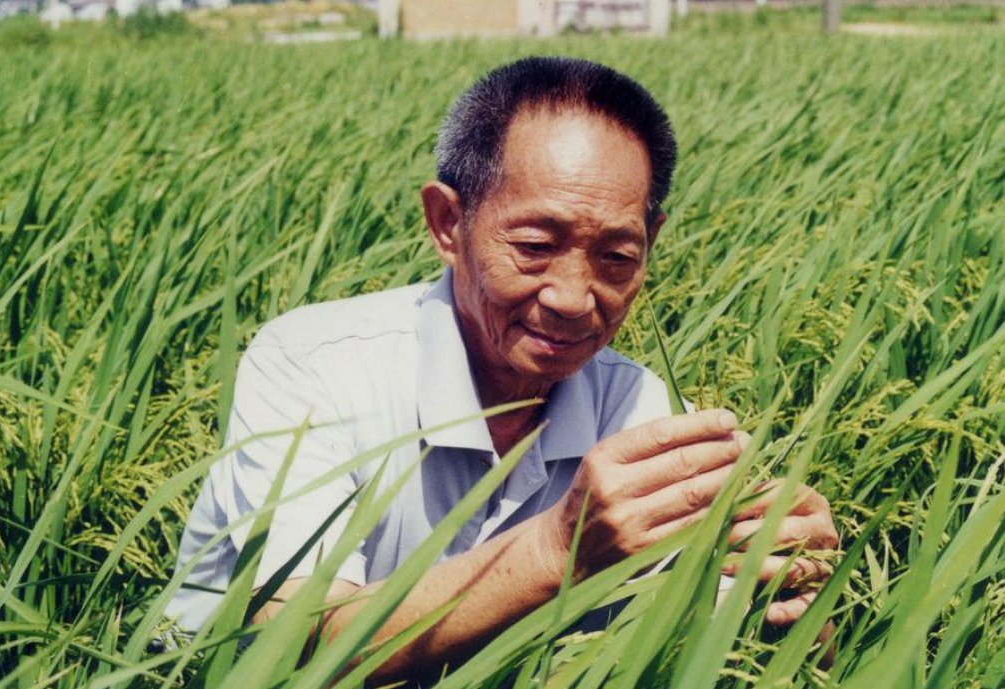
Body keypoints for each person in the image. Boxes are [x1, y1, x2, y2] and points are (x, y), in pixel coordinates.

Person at [167, 56, 838, 681]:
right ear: (448, 222)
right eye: (536, 246)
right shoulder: (310, 366)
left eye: (616, 258)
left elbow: (710, 634)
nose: (574, 298)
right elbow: (296, 638)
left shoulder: (635, 404)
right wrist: (558, 549)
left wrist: (792, 591)